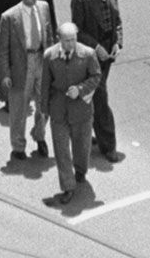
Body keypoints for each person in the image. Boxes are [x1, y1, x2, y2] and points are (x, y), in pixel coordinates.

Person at [70, 0, 124, 163]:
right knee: (100, 97)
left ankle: (87, 131)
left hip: (108, 55)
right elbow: (78, 31)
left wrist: (117, 43)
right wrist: (96, 47)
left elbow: (117, 22)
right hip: (92, 57)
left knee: (92, 96)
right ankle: (109, 145)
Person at [43, 22, 101, 206]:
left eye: (73, 39)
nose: (70, 44)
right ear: (59, 39)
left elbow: (96, 76)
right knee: (61, 151)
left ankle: (81, 170)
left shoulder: (88, 54)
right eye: (66, 40)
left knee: (82, 146)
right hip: (58, 109)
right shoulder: (50, 56)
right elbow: (45, 84)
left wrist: (80, 89)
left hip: (81, 110)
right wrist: (44, 110)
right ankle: (68, 186)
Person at [0, 0, 52, 162]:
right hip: (21, 65)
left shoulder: (43, 7)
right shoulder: (9, 17)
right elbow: (3, 50)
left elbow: (49, 35)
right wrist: (5, 75)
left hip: (41, 60)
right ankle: (18, 146)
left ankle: (39, 135)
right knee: (19, 109)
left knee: (44, 104)